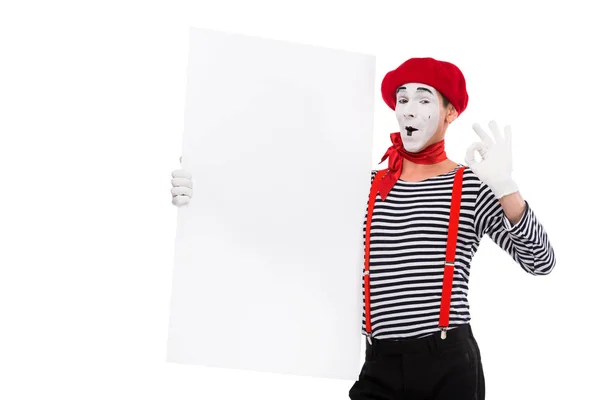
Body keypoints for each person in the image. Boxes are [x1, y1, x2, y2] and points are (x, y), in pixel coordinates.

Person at [170, 57, 556, 400]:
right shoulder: (367, 184)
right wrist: (207, 186)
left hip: (447, 362)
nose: (410, 109)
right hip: (379, 363)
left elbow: (541, 261)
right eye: (402, 100)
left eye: (424, 99)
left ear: (450, 111)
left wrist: (505, 187)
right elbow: (285, 224)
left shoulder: (470, 183)